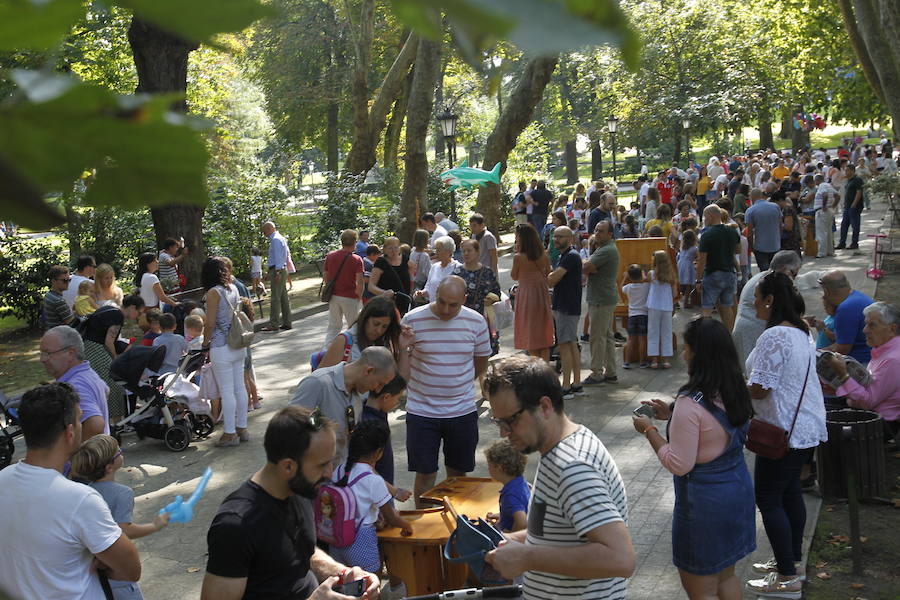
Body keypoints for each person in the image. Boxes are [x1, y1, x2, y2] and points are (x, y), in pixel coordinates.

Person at [483, 355, 635, 598]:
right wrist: (510, 540)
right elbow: (558, 533)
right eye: (498, 422)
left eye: (510, 420)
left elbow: (620, 559)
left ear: (545, 407)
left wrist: (527, 557)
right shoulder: (561, 448)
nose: (503, 432)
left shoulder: (572, 467)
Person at [201, 405, 380, 600]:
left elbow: (303, 553)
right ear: (288, 466)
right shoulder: (235, 526)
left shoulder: (299, 489)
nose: (330, 473)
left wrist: (343, 574)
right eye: (322, 465)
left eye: (331, 461)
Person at [632, 318, 755, 599]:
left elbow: (678, 463)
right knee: (726, 578)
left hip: (704, 507)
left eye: (687, 348)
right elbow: (711, 427)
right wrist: (672, 414)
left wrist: (649, 430)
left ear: (699, 354)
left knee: (702, 590)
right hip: (737, 493)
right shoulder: (735, 387)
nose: (683, 354)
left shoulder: (689, 403)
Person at [0, 383, 141, 599]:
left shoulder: (3, 479)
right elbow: (130, 570)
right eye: (79, 419)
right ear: (70, 432)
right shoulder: (80, 499)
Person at [744, 272, 827, 598]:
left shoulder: (776, 334)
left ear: (770, 300)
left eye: (756, 298)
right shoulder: (800, 331)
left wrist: (732, 389)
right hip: (803, 427)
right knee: (790, 493)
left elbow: (761, 388)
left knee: (768, 498)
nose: (753, 303)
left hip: (783, 431)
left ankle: (787, 576)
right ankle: (790, 561)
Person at [398, 276, 491, 505]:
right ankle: (424, 521)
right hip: (422, 411)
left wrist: (458, 383)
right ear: (435, 294)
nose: (446, 310)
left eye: (453, 305)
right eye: (441, 302)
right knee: (425, 474)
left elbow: (481, 361)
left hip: (462, 411)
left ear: (464, 300)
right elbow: (401, 365)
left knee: (458, 476)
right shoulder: (413, 319)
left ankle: (457, 522)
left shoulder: (476, 321)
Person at [70, 434, 170, 600]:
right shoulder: (123, 493)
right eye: (119, 452)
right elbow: (124, 530)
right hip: (119, 572)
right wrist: (155, 526)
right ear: (109, 467)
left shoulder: (86, 491)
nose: (121, 452)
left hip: (95, 570)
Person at [327, 420, 414, 572]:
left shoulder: (339, 470)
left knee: (344, 581)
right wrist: (407, 526)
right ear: (378, 453)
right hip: (361, 539)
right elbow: (391, 519)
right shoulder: (374, 480)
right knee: (369, 582)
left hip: (335, 537)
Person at [290, 346, 396, 465]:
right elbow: (290, 429)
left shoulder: (358, 396)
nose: (377, 390)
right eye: (380, 383)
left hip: (341, 471)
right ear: (368, 371)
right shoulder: (318, 383)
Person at [824, 302, 900, 439]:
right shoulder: (885, 350)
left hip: (877, 425)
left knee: (818, 417)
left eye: (872, 325)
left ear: (892, 329)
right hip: (867, 416)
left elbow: (867, 402)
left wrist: (844, 376)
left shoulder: (893, 359)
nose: (865, 330)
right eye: (866, 324)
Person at [200, 256, 250, 447]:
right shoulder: (233, 288)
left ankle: (229, 433)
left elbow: (210, 323)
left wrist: (205, 342)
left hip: (221, 346)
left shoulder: (213, 293)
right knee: (239, 387)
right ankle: (242, 427)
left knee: (227, 391)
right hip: (237, 343)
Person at [731, 250, 802, 365]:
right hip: (749, 333)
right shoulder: (768, 283)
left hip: (751, 331)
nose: (793, 279)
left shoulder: (767, 278)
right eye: (794, 274)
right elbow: (782, 312)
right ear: (785, 269)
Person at [41, 325, 110, 439]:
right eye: (42, 353)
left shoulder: (74, 386)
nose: (42, 359)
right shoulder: (87, 373)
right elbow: (106, 390)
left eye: (48, 353)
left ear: (70, 353)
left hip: (91, 450)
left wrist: (76, 449)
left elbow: (95, 425)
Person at [581, 220, 620, 385]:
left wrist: (587, 264)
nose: (597, 233)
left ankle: (597, 373)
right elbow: (589, 267)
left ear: (610, 234)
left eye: (601, 231)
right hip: (604, 297)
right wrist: (589, 266)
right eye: (596, 230)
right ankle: (611, 372)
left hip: (601, 299)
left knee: (597, 337)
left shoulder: (606, 250)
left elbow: (585, 267)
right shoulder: (603, 248)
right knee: (607, 336)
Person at [318, 296, 401, 369]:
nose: (379, 330)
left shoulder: (387, 344)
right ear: (365, 319)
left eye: (384, 326)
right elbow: (321, 378)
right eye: (376, 324)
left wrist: (403, 349)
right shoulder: (343, 341)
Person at [361, 373, 410, 499]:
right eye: (398, 399)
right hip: (376, 495)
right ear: (386, 397)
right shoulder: (372, 425)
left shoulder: (375, 414)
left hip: (381, 489)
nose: (397, 404)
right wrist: (394, 491)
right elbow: (364, 467)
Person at [548, 226, 583, 395]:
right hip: (566, 306)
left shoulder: (571, 256)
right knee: (571, 344)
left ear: (570, 239)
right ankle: (576, 383)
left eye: (560, 237)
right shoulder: (564, 256)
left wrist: (548, 275)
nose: (556, 240)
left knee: (564, 345)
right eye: (555, 236)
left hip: (567, 308)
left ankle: (567, 386)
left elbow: (552, 279)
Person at [511, 224, 554, 361]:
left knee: (530, 332)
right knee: (543, 334)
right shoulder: (544, 255)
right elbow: (548, 273)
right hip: (541, 294)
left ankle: (536, 368)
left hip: (526, 295)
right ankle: (545, 367)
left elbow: (514, 276)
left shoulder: (519, 257)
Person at [697, 205, 740, 332]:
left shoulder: (707, 235)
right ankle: (729, 336)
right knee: (727, 307)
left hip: (712, 273)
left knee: (707, 310)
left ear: (711, 216)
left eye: (705, 217)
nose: (704, 219)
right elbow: (738, 250)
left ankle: (706, 338)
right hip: (729, 273)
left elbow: (702, 261)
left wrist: (698, 280)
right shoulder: (732, 231)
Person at [819, 270, 874, 364]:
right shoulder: (857, 296)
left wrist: (814, 353)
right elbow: (844, 337)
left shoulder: (845, 309)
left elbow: (842, 349)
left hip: (860, 362)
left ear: (826, 291)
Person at [484, 439, 530, 533]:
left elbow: (522, 523)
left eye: (490, 466)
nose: (488, 469)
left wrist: (510, 536)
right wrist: (502, 516)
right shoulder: (521, 482)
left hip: (510, 538)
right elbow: (522, 508)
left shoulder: (510, 495)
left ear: (499, 468)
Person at [454, 238, 501, 316]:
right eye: (463, 251)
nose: (466, 253)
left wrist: (492, 300)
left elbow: (497, 292)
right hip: (463, 317)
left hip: (484, 316)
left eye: (469, 250)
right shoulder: (456, 273)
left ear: (477, 252)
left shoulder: (488, 272)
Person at [647, 250, 677, 370]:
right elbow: (674, 294)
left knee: (653, 332)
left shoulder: (651, 274)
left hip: (653, 305)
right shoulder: (671, 275)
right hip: (667, 305)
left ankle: (654, 360)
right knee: (666, 332)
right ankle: (666, 360)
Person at [368, 236, 412, 315]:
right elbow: (371, 286)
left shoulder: (405, 260)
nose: (393, 251)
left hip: (404, 304)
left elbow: (411, 278)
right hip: (386, 305)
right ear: (385, 250)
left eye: (396, 247)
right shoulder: (381, 262)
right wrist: (384, 293)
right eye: (390, 248)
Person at [260, 221, 292, 331]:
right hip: (279, 269)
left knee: (275, 298)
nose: (264, 234)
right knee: (283, 297)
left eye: (264, 231)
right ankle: (287, 322)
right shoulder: (279, 238)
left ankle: (274, 323)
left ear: (270, 229)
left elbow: (279, 257)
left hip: (278, 270)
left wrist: (277, 272)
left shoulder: (275, 240)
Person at [744, 189, 782, 271]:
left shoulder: (750, 210)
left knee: (764, 272)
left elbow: (749, 233)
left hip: (760, 247)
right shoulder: (775, 207)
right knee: (775, 270)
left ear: (751, 197)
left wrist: (751, 247)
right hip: (775, 245)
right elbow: (780, 225)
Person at [417, 235, 460, 303]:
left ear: (448, 251)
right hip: (433, 306)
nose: (436, 252)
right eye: (436, 249)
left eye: (438, 249)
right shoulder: (434, 267)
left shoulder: (458, 268)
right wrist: (422, 293)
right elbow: (428, 287)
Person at [836, 163, 865, 250]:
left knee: (855, 225)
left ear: (852, 171)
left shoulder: (857, 180)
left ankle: (854, 243)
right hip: (847, 206)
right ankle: (842, 243)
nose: (846, 172)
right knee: (844, 225)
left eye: (847, 170)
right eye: (845, 170)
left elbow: (859, 192)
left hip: (854, 206)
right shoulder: (849, 180)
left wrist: (854, 204)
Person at [43, 264, 78, 329]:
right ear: (54, 281)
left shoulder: (49, 295)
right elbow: (72, 322)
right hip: (61, 333)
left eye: (69, 280)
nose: (68, 283)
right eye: (65, 280)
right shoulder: (58, 301)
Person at [813, 174, 838, 258]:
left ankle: (821, 252)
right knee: (829, 232)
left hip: (822, 210)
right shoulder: (829, 185)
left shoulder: (822, 186)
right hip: (829, 210)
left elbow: (825, 195)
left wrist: (824, 205)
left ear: (817, 180)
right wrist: (833, 206)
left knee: (821, 232)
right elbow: (837, 195)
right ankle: (830, 251)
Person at [676, 230, 698, 309]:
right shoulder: (694, 248)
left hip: (680, 264)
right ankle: (686, 303)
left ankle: (677, 301)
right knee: (689, 284)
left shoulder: (682, 247)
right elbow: (698, 257)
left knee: (680, 283)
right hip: (688, 265)